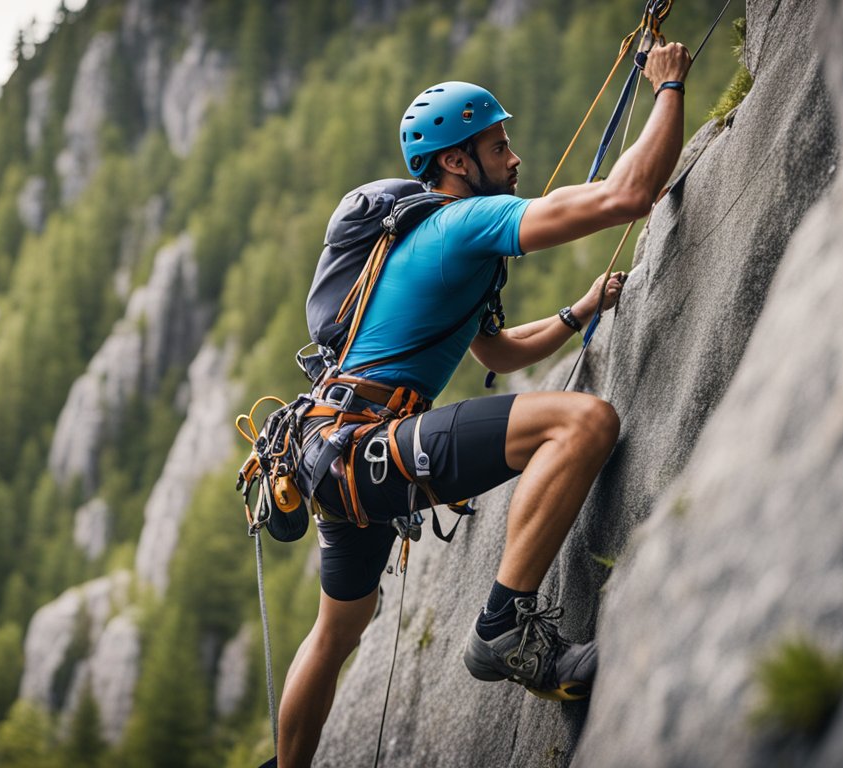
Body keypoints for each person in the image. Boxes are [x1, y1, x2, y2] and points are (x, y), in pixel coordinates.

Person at [277, 41, 692, 766]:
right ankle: (506, 627)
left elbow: (494, 353)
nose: (516, 157)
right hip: (372, 449)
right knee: (585, 422)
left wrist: (576, 311)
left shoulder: (437, 243)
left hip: (336, 456)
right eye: (498, 144)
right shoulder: (459, 225)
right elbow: (628, 195)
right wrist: (669, 86)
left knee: (336, 634)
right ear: (456, 162)